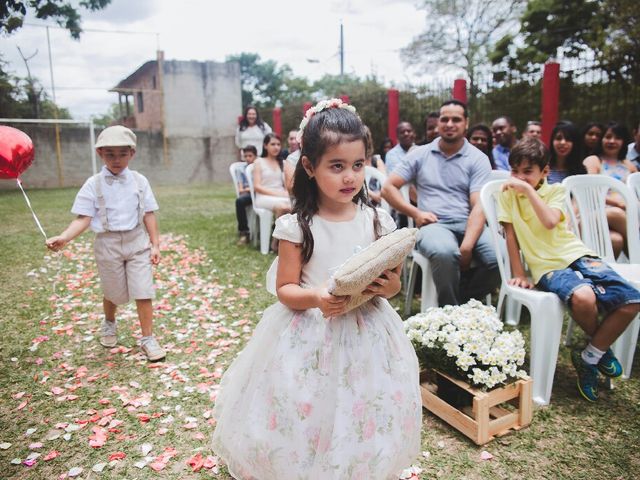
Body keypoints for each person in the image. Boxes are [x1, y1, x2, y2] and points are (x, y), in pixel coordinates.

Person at [211, 99, 422, 479]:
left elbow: (393, 284)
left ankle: (357, 466)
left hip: (368, 332)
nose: (349, 177)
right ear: (309, 167)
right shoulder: (298, 226)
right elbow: (286, 289)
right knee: (308, 404)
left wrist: (389, 287)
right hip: (311, 331)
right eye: (336, 166)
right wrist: (317, 297)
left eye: (357, 165)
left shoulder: (378, 221)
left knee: (362, 404)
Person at [497, 138, 640, 402]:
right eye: (515, 171)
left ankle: (589, 355)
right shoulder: (506, 195)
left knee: (632, 300)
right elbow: (511, 235)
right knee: (584, 298)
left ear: (545, 172)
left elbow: (550, 221)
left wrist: (528, 191)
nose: (518, 177)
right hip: (547, 266)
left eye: (527, 171)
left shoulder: (556, 192)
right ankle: (599, 351)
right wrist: (519, 273)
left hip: (578, 255)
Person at [45, 126, 165, 361]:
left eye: (122, 153)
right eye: (110, 154)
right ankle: (109, 321)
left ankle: (148, 339)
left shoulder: (140, 181)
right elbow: (83, 218)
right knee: (114, 293)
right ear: (100, 154)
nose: (116, 159)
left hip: (136, 241)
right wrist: (64, 237)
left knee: (143, 291)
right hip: (108, 244)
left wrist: (155, 244)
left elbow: (149, 213)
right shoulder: (93, 184)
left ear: (132, 153)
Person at [382, 99, 500, 306]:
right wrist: (415, 213)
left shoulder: (478, 158)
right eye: (444, 119)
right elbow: (388, 188)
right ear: (438, 123)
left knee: (498, 257)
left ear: (466, 123)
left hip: (468, 221)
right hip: (433, 224)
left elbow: (478, 206)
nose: (449, 124)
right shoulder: (420, 154)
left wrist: (467, 246)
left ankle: (461, 302)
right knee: (445, 253)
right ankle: (451, 312)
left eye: (456, 119)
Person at [583, 122, 637, 257]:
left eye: (617, 138)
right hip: (594, 213)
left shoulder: (629, 165)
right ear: (601, 139)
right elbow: (591, 192)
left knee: (616, 241)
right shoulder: (593, 161)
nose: (612, 141)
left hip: (625, 216)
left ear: (623, 141)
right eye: (608, 137)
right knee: (615, 213)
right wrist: (618, 204)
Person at [253, 133, 293, 217]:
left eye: (278, 144)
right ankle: (278, 229)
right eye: (273, 144)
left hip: (282, 196)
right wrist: (278, 193)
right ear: (265, 146)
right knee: (283, 206)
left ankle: (286, 228)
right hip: (263, 197)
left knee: (297, 206)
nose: (276, 147)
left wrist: (285, 193)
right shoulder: (259, 162)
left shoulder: (283, 163)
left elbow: (287, 185)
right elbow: (257, 187)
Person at [235, 146, 257, 245]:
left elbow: (258, 186)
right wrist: (250, 189)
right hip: (248, 194)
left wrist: (249, 188)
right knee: (239, 201)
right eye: (246, 156)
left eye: (250, 156)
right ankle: (244, 232)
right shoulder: (241, 170)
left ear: (255, 156)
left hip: (258, 193)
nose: (248, 158)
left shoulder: (258, 167)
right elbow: (240, 189)